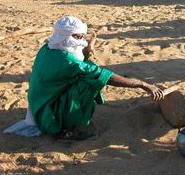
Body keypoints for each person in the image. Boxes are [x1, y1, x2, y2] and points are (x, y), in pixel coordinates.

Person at [3, 16, 162, 140]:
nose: (81, 41)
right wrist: (143, 84)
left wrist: (86, 52)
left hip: (40, 103)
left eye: (82, 37)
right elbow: (106, 77)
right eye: (77, 37)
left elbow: (75, 62)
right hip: (48, 112)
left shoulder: (48, 47)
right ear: (65, 36)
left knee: (86, 77)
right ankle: (67, 130)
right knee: (89, 84)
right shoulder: (68, 60)